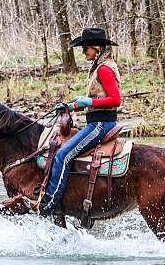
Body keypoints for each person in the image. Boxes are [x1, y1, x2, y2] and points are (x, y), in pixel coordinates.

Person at [39, 27, 121, 216]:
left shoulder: (104, 70)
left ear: (97, 48)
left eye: (86, 48)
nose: (84, 52)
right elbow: (97, 98)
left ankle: (51, 201)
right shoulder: (99, 67)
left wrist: (89, 102)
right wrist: (71, 106)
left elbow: (116, 100)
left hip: (100, 125)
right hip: (96, 121)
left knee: (63, 156)